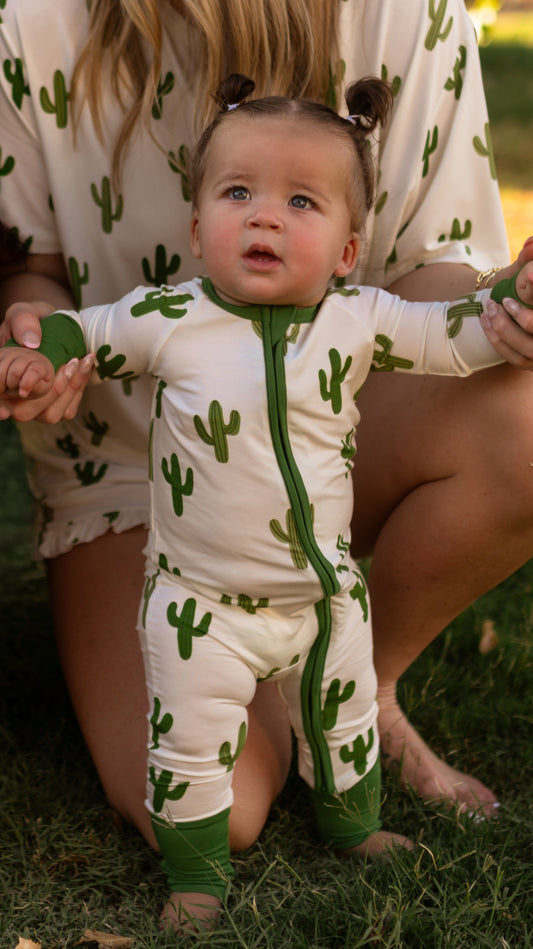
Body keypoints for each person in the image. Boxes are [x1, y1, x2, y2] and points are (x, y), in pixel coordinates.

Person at [1, 0, 533, 856]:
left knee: (528, 417)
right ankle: (285, 688)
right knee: (230, 813)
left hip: (340, 437)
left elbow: (438, 272)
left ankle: (361, 684)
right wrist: (39, 343)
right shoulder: (38, 21)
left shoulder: (407, 13)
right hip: (138, 484)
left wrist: (508, 310)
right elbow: (37, 271)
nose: (262, 216)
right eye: (238, 193)